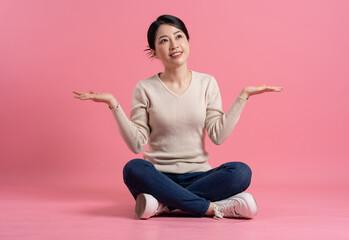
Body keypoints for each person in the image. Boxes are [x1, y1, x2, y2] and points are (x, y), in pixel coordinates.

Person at [73, 14, 283, 220]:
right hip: (158, 176)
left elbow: (218, 136)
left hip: (200, 176)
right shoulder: (145, 88)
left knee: (240, 172)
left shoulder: (207, 83)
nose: (174, 44)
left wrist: (243, 96)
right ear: (154, 52)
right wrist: (114, 105)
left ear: (188, 41)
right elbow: (137, 145)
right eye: (164, 40)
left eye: (179, 36)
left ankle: (164, 204)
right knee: (133, 169)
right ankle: (211, 208)